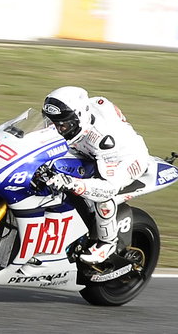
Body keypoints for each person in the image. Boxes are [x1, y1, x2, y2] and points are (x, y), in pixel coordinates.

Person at [33, 86, 156, 265]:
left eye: (63, 125)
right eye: (52, 122)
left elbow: (107, 187)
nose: (57, 129)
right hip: (86, 148)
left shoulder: (102, 140)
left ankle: (107, 242)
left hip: (126, 157)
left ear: (78, 120)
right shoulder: (77, 114)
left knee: (101, 193)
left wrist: (73, 183)